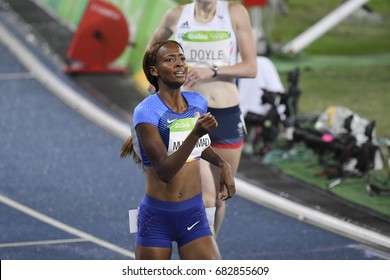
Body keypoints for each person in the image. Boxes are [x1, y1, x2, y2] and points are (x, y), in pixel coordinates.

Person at [147, 0, 257, 236]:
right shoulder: (176, 15)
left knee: (219, 197)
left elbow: (250, 67)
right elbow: (152, 50)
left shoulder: (235, 13)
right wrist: (153, 79)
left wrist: (214, 70)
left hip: (226, 113)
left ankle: (209, 257)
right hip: (188, 115)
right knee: (205, 198)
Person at [121, 40, 236, 260]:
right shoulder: (146, 112)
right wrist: (195, 133)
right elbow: (165, 171)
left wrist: (222, 163)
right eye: (170, 59)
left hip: (193, 213)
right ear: (154, 70)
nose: (179, 64)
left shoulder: (197, 102)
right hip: (157, 218)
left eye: (182, 58)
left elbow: (198, 146)